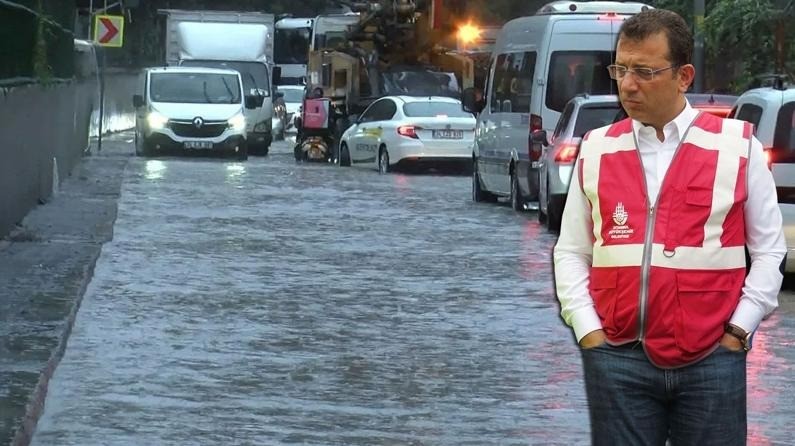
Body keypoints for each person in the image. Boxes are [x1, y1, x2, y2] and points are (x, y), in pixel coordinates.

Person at [553, 9, 786, 445]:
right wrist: (587, 330)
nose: (627, 83)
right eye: (620, 69)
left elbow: (770, 251)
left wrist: (739, 330)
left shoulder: (737, 147)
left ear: (683, 76)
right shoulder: (597, 148)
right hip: (617, 357)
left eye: (644, 71)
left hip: (713, 358)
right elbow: (572, 251)